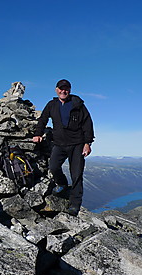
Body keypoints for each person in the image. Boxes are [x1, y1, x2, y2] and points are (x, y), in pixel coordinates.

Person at [32, 79, 95, 216]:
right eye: (61, 88)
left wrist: (87, 143)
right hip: (59, 144)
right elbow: (43, 119)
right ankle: (62, 184)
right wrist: (38, 133)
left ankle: (74, 205)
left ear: (70, 90)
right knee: (53, 167)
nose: (63, 91)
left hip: (77, 144)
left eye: (66, 89)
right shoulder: (52, 104)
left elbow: (87, 124)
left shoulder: (77, 104)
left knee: (76, 175)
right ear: (56, 90)